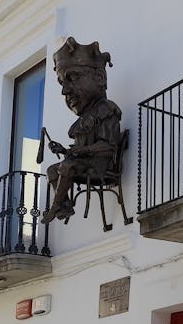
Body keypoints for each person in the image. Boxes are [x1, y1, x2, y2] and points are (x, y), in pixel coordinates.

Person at [39, 37, 122, 224]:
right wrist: (63, 150)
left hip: (101, 165)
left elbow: (108, 147)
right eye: (62, 83)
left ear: (99, 77)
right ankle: (65, 206)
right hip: (85, 163)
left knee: (66, 167)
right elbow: (77, 152)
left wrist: (83, 151)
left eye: (73, 78)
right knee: (53, 170)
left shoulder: (106, 110)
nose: (65, 91)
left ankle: (54, 208)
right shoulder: (84, 119)